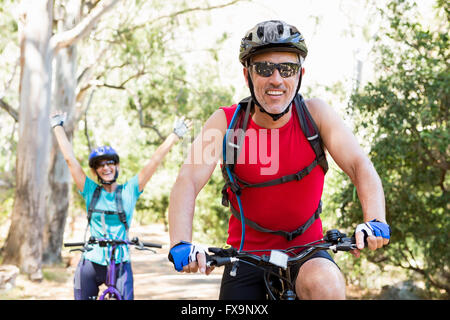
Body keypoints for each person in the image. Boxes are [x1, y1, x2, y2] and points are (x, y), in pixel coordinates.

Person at [167, 20, 391, 300]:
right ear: (247, 75)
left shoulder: (316, 115)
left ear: (300, 74)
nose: (276, 79)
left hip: (308, 253)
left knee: (327, 283)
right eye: (263, 69)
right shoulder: (226, 123)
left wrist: (375, 220)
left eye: (287, 69)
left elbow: (360, 165)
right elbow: (187, 180)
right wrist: (181, 242)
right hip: (244, 257)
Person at [50, 111, 192, 300]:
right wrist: (57, 125)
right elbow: (70, 160)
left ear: (117, 166)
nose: (106, 168)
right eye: (100, 165)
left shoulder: (129, 190)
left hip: (120, 262)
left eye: (110, 163)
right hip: (91, 261)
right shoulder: (90, 190)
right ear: (95, 171)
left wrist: (175, 135)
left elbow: (154, 161)